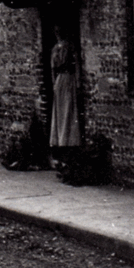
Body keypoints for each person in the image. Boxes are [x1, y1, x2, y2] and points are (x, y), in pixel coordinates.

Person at [49, 25, 81, 164]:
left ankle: (62, 142)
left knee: (62, 111)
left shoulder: (56, 49)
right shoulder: (70, 47)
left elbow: (53, 69)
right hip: (68, 79)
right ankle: (67, 141)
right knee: (68, 110)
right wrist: (78, 82)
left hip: (60, 80)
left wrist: (54, 84)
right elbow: (77, 66)